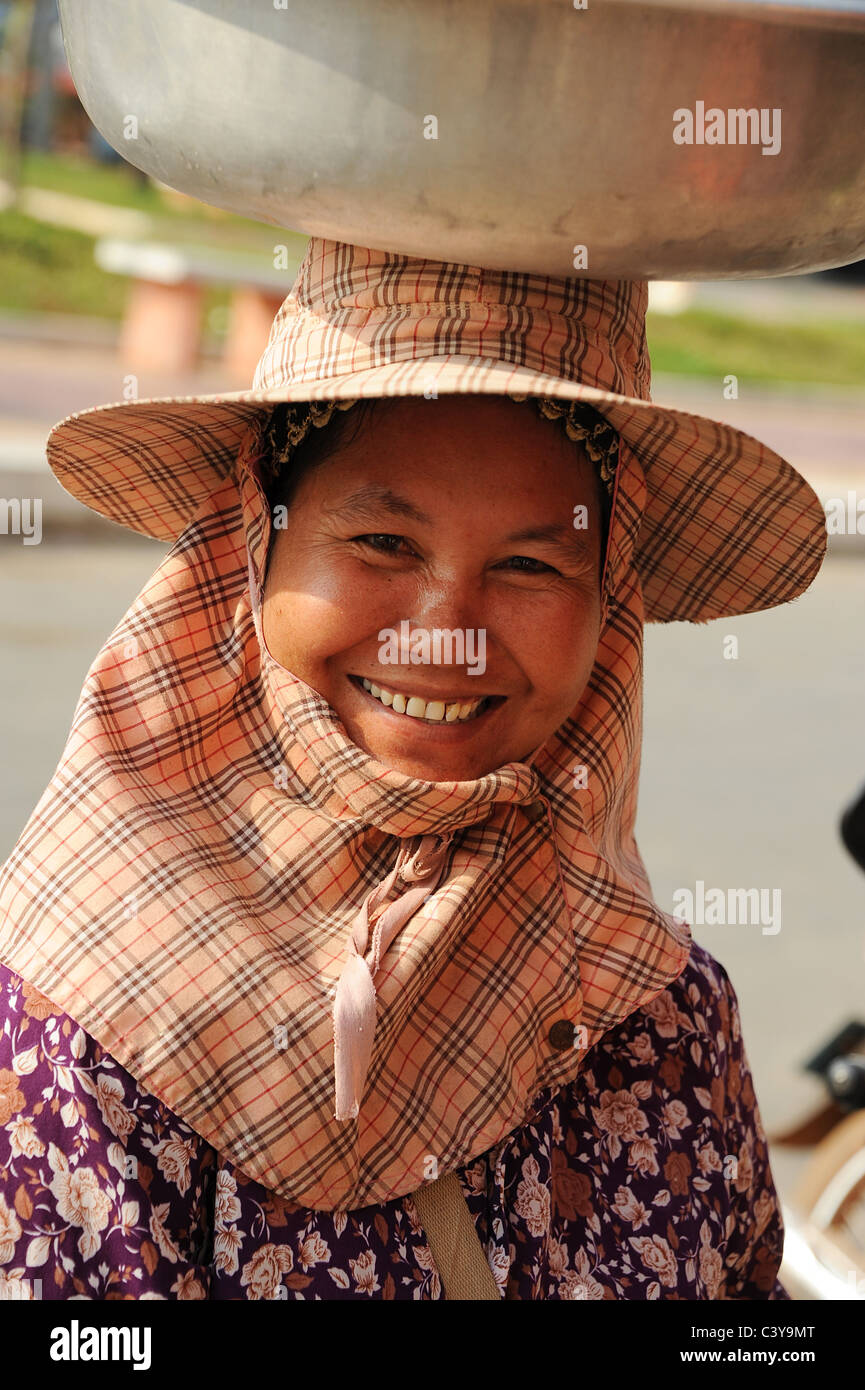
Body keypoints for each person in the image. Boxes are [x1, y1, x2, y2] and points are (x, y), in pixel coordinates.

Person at [0, 239, 826, 1299]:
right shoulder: (83, 1031)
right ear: (258, 542)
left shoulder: (667, 1023)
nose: (446, 634)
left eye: (530, 564)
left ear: (609, 600)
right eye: (383, 541)